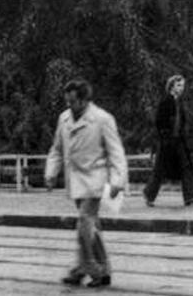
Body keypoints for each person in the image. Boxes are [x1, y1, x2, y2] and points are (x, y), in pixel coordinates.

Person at [45, 79, 127, 289]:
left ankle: (94, 270)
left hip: (94, 181)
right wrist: (51, 172)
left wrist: (118, 180)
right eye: (67, 101)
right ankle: (94, 269)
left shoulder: (102, 119)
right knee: (91, 227)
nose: (69, 105)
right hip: (74, 182)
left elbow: (116, 151)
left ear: (83, 100)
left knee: (84, 222)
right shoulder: (63, 118)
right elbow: (56, 148)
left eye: (72, 101)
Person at [143, 75, 193, 207]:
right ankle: (149, 195)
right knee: (159, 169)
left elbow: (182, 121)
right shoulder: (165, 101)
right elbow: (158, 122)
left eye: (182, 85)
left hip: (178, 141)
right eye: (179, 85)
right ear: (171, 86)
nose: (182, 88)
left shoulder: (179, 102)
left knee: (186, 166)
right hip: (166, 141)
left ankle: (191, 197)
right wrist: (165, 136)